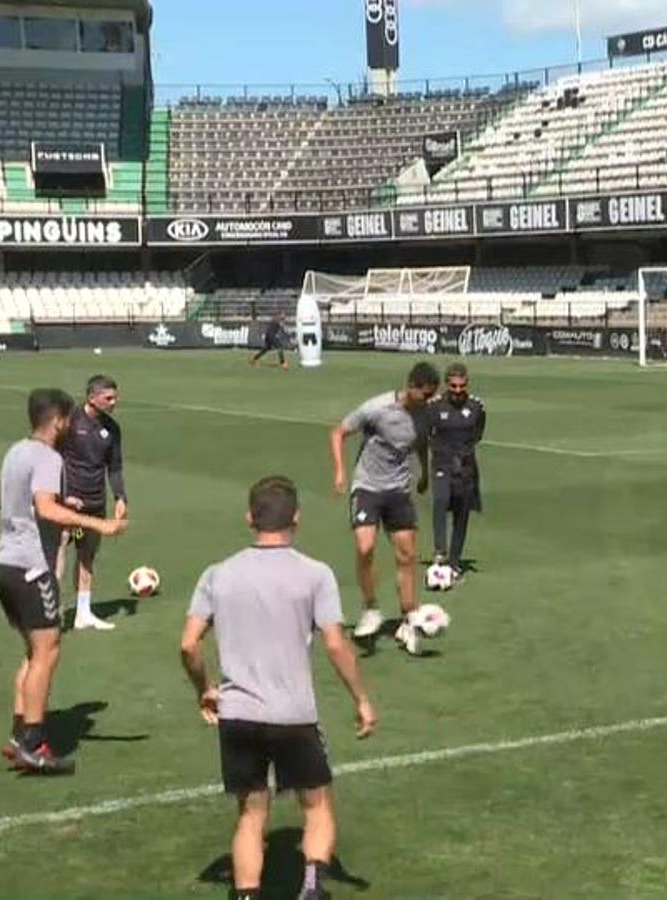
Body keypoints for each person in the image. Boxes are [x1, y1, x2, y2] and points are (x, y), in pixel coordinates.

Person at [179, 476, 376, 900]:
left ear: (250, 518)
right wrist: (361, 699)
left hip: (238, 716)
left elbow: (189, 645)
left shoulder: (218, 574)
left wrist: (204, 689)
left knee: (251, 816)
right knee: (317, 805)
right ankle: (311, 888)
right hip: (293, 716)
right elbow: (336, 645)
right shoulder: (316, 575)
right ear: (297, 518)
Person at [0, 388, 127, 773]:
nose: (71, 425)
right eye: (68, 419)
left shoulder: (15, 452)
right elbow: (46, 509)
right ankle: (34, 744)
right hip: (31, 567)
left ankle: (20, 736)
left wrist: (63, 503)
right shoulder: (49, 457)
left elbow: (8, 501)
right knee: (48, 651)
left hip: (3, 562)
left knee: (34, 651)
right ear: (57, 421)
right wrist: (98, 523)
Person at [330, 362, 438, 654]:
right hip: (367, 487)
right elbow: (338, 433)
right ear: (411, 386)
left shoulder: (425, 414)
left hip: (398, 490)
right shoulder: (377, 408)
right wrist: (340, 471)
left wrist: (425, 473)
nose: (428, 400)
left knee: (407, 555)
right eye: (425, 394)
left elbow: (421, 442)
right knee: (365, 547)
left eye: (431, 395)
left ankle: (409, 619)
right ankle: (371, 608)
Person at [56, 375, 128, 631]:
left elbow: (115, 467)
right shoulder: (70, 422)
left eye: (115, 397)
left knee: (87, 556)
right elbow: (52, 459)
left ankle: (83, 613)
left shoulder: (112, 429)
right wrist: (62, 494)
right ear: (92, 398)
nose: (114, 402)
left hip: (95, 503)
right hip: (68, 504)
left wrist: (120, 496)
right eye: (108, 398)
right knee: (58, 552)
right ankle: (50, 611)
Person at [428, 362, 486, 580]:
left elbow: (478, 434)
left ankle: (454, 562)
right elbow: (427, 433)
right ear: (447, 385)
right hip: (442, 464)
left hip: (466, 466)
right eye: (453, 386)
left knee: (462, 514)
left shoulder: (477, 407)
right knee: (441, 501)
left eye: (462, 386)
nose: (458, 390)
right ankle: (440, 551)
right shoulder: (435, 406)